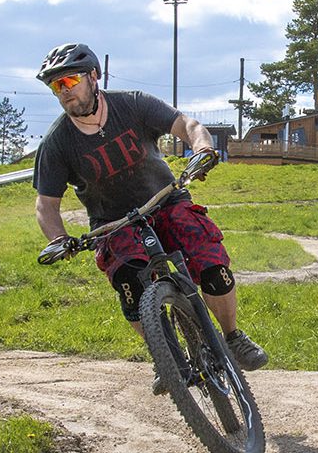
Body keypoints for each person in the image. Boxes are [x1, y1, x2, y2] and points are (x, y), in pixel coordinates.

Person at [30, 42, 268, 392]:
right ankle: (167, 359)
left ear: (93, 76)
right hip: (113, 224)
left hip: (165, 201)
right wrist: (58, 239)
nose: (63, 92)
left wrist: (201, 148)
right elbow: (45, 205)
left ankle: (232, 337)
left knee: (211, 262)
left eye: (69, 82)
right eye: (56, 87)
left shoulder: (133, 104)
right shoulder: (57, 143)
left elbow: (187, 124)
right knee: (130, 284)